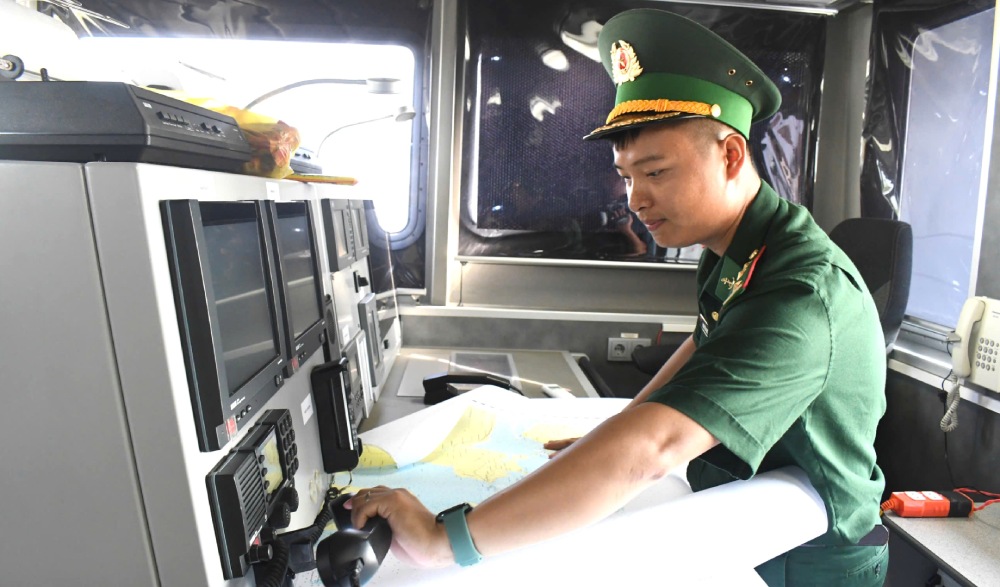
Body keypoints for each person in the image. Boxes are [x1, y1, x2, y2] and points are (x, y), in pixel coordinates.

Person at [346, 8, 888, 585]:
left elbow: (655, 449)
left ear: (730, 156)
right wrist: (616, 428)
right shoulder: (743, 245)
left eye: (655, 173)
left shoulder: (799, 291)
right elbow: (707, 344)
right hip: (745, 507)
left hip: (810, 551)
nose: (635, 199)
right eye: (626, 176)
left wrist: (444, 539)